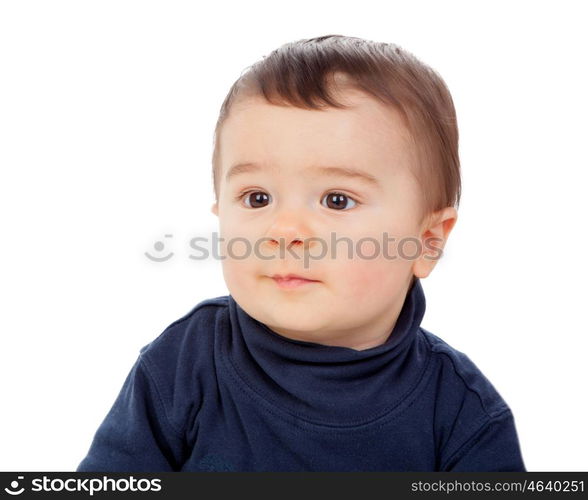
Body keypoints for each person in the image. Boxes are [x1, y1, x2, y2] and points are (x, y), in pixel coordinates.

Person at [77, 35, 526, 471]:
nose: (285, 231)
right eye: (257, 198)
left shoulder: (462, 414)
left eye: (337, 200)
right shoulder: (182, 362)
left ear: (426, 241)